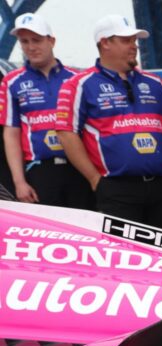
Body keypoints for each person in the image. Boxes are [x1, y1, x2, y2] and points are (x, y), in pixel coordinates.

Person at [56, 15, 162, 231]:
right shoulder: (79, 84)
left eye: (134, 40)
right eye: (126, 40)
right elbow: (65, 132)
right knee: (127, 259)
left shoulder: (156, 83)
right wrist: (94, 179)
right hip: (116, 189)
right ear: (105, 43)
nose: (134, 46)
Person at [1, 14, 93, 210]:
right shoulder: (11, 82)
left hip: (80, 168)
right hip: (40, 171)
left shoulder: (78, 78)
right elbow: (11, 134)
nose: (31, 47)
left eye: (37, 40)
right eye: (24, 42)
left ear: (51, 41)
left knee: (85, 234)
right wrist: (19, 182)